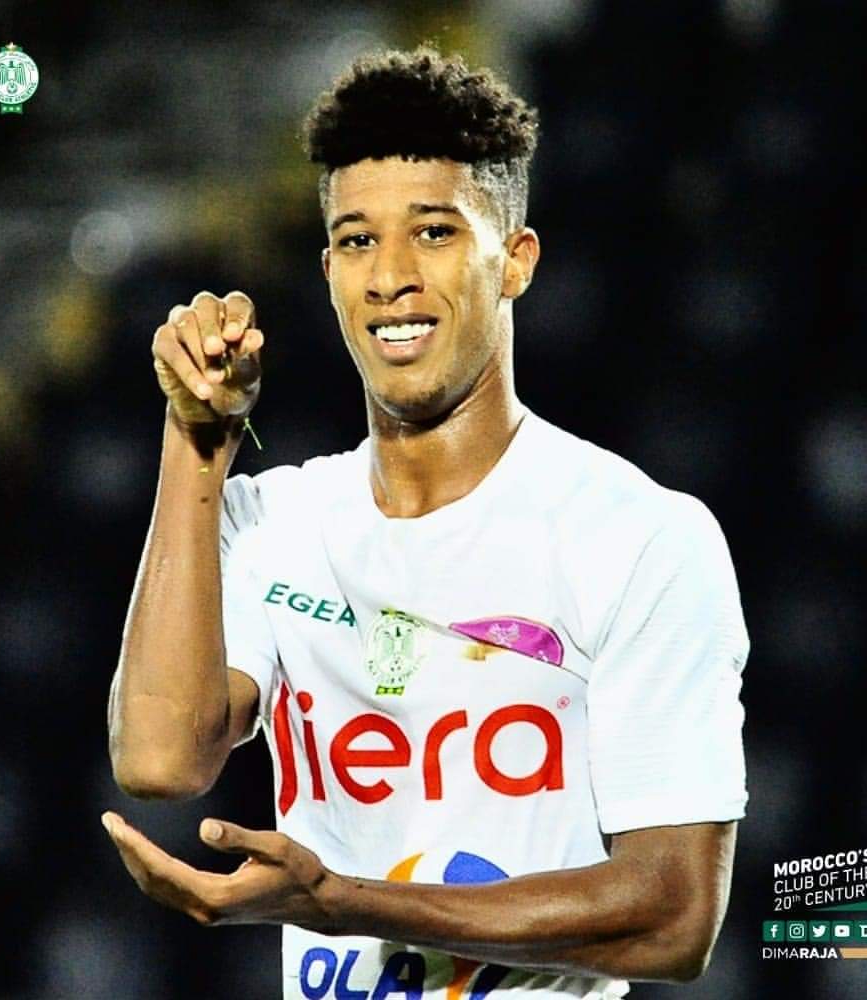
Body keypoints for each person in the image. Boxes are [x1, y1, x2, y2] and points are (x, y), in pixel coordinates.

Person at [103, 47, 749, 1000]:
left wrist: (348, 903)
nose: (391, 277)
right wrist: (197, 439)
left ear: (515, 261)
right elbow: (160, 758)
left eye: (435, 232)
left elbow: (674, 917)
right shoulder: (273, 519)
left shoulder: (640, 537)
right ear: (328, 270)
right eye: (357, 240)